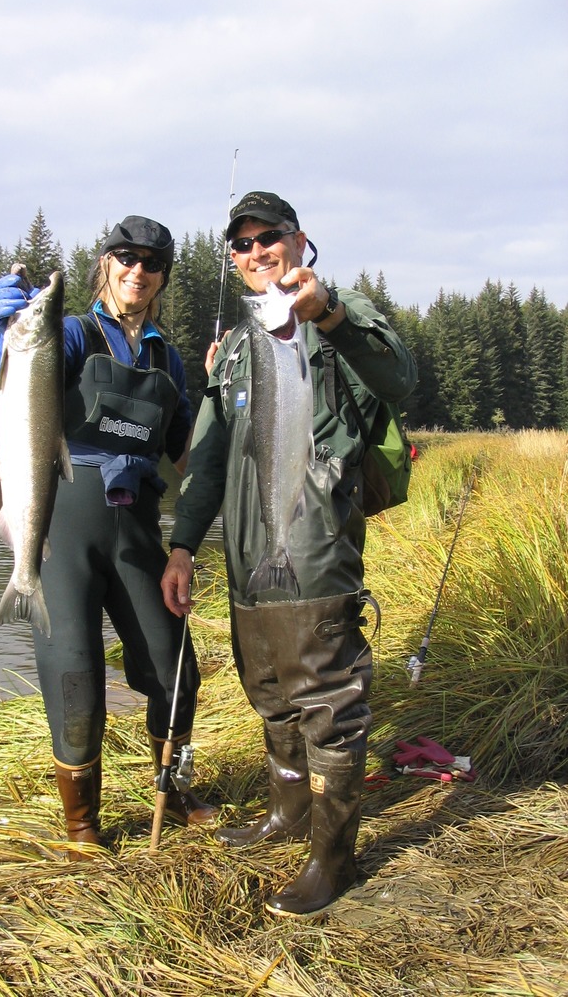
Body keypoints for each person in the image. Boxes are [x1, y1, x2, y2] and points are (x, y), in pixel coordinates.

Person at [161, 192, 417, 916]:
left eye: (267, 238)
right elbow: (208, 457)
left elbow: (402, 379)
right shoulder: (239, 344)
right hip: (247, 554)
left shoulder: (339, 316)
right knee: (269, 692)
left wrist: (329, 312)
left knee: (326, 703)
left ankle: (333, 862)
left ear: (299, 242)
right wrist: (183, 546)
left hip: (313, 548)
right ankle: (288, 812)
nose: (254, 254)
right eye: (239, 246)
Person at [0, 216, 217, 858]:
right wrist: (7, 337)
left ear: (162, 276)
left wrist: (222, 397)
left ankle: (173, 792)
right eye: (126, 258)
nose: (137, 271)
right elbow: (17, 381)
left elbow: (189, 459)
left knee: (178, 673)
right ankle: (82, 824)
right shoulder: (66, 333)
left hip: (139, 535)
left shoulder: (167, 358)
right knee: (75, 676)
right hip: (60, 533)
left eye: (151, 262)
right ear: (105, 264)